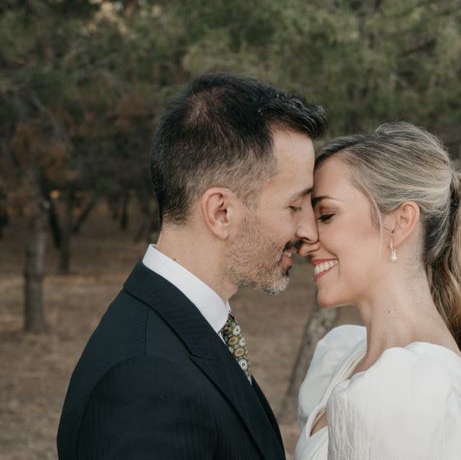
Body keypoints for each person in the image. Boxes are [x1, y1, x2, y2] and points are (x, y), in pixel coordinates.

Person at [57, 73, 327, 460]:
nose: (308, 230)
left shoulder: (188, 328)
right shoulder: (145, 382)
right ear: (221, 212)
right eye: (294, 205)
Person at [295, 122, 461, 460]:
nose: (305, 241)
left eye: (326, 215)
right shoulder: (344, 354)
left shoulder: (408, 390)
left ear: (400, 222)